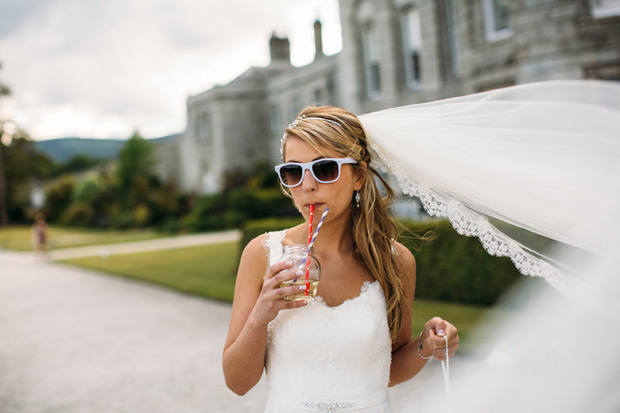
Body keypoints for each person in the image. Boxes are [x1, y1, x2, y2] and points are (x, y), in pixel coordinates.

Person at [223, 106, 459, 412]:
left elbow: (387, 370)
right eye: (293, 171)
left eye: (324, 169)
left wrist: (425, 345)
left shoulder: (396, 261)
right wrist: (260, 315)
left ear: (358, 175)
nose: (307, 185)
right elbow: (237, 383)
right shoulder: (263, 254)